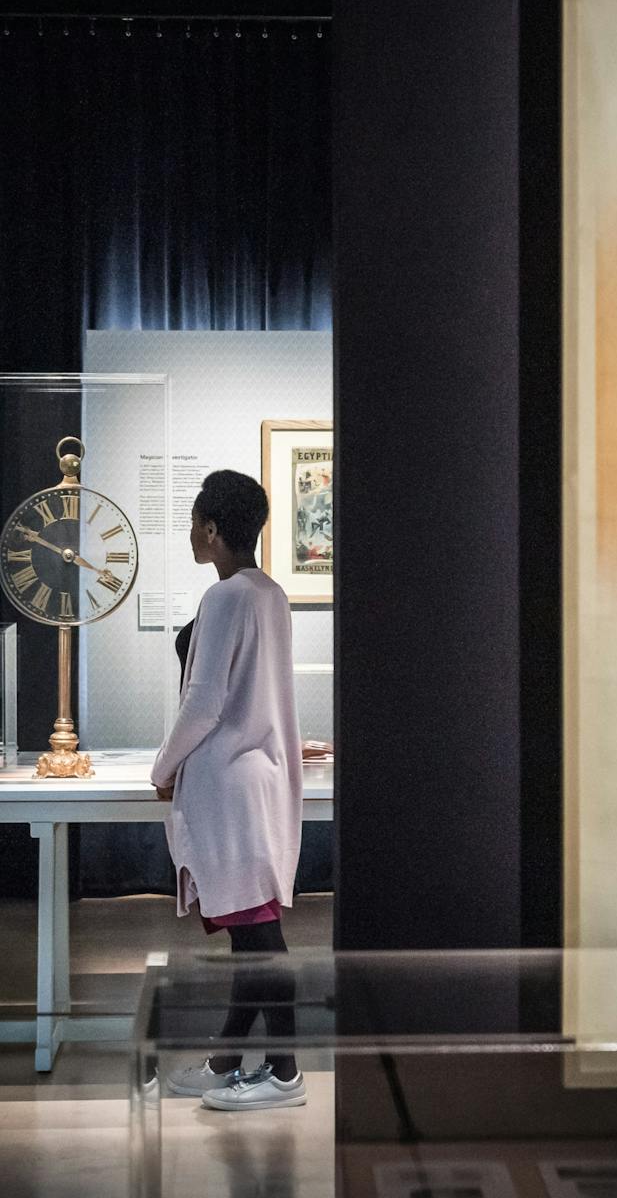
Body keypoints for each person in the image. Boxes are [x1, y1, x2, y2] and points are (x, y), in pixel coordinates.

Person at [151, 469, 306, 1111]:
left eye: (194, 522)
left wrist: (162, 769)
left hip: (230, 788)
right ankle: (228, 1059)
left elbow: (203, 703)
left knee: (261, 943)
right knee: (253, 938)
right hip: (261, 782)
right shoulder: (269, 593)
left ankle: (284, 1071)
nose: (191, 532)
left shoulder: (224, 599)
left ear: (212, 530)